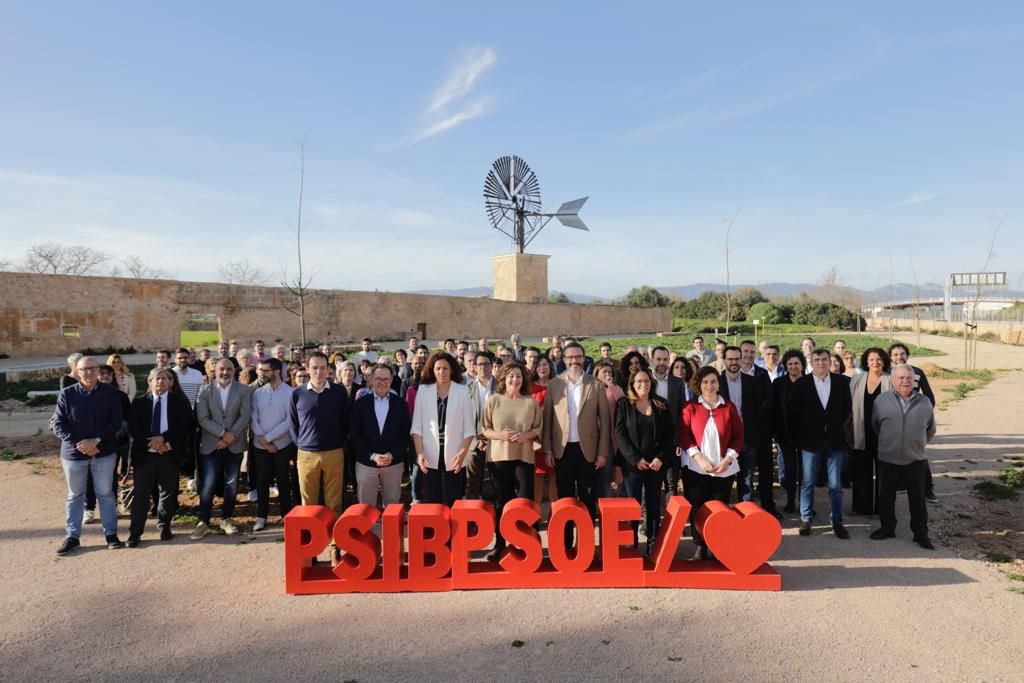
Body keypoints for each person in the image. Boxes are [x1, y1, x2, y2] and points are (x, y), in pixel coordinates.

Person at [52, 355, 124, 554]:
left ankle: (111, 534)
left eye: (93, 368)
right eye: (84, 369)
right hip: (73, 455)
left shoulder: (110, 393)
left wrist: (96, 440)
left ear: (99, 370)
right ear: (77, 372)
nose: (89, 372)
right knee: (75, 495)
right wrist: (80, 443)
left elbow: (116, 421)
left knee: (106, 494)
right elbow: (58, 424)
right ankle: (72, 536)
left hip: (104, 452)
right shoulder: (67, 394)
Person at [542, 342, 611, 548]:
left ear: (584, 358)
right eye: (570, 357)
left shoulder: (596, 385)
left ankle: (586, 544)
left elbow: (605, 422)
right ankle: (566, 544)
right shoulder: (554, 384)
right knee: (565, 499)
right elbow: (548, 419)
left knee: (588, 497)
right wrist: (547, 449)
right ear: (563, 360)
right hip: (562, 450)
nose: (574, 360)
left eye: (578, 357)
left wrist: (602, 452)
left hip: (587, 450)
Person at [680, 366, 744, 560]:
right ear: (699, 384)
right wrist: (699, 459)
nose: (710, 385)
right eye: (705, 382)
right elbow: (684, 435)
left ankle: (717, 545)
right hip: (696, 468)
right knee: (698, 506)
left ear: (718, 384)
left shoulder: (728, 407)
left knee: (719, 507)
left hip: (723, 468)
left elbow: (738, 436)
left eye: (713, 381)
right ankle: (700, 545)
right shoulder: (690, 407)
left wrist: (728, 459)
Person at [870, 364, 938, 550]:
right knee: (886, 496)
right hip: (888, 457)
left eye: (909, 378)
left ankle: (920, 533)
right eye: (901, 378)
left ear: (914, 381)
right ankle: (887, 528)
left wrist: (917, 444)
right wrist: (889, 442)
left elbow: (930, 429)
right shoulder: (881, 401)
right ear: (893, 380)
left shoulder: (924, 402)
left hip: (915, 458)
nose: (905, 381)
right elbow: (876, 425)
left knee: (917, 498)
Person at [481, 361, 542, 560]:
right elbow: (483, 429)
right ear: (503, 379)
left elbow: (538, 428)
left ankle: (527, 545)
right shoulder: (493, 400)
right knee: (502, 502)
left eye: (518, 376)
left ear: (523, 379)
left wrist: (526, 436)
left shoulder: (530, 401)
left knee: (525, 502)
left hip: (524, 457)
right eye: (510, 376)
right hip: (499, 457)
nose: (514, 379)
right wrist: (500, 436)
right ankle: (500, 545)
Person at [790, 349, 853, 539]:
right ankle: (806, 519)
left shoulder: (842, 382)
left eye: (824, 359)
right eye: (816, 359)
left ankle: (837, 522)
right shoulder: (802, 384)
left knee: (835, 485)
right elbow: (796, 413)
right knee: (808, 482)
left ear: (829, 361)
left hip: (834, 440)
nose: (820, 363)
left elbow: (845, 409)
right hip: (810, 441)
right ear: (811, 361)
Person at [290, 352, 350, 552]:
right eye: (314, 367)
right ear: (307, 369)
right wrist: (304, 443)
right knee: (308, 504)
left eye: (323, 368)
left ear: (328, 369)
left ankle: (336, 546)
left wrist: (336, 441)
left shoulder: (339, 392)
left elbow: (345, 422)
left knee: (334, 503)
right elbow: (293, 425)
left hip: (334, 453)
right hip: (306, 455)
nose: (319, 371)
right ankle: (310, 548)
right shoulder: (297, 394)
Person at [126, 367, 191, 547]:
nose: (160, 382)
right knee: (141, 495)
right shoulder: (139, 402)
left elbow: (184, 425)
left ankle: (164, 525)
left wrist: (164, 441)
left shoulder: (179, 402)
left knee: (168, 493)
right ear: (150, 382)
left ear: (170, 382)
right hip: (145, 455)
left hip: (169, 454)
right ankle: (135, 533)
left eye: (164, 378)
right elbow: (134, 427)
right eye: (157, 379)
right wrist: (153, 443)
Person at [615, 367, 675, 554]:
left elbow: (669, 436)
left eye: (647, 381)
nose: (643, 384)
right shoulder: (623, 404)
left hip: (656, 465)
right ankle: (631, 544)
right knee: (632, 505)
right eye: (639, 381)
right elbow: (620, 434)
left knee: (653, 504)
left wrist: (660, 458)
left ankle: (653, 544)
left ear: (652, 383)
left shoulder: (662, 404)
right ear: (632, 384)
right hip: (633, 465)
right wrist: (635, 459)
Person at [192, 358, 252, 539]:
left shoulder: (243, 390)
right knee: (208, 484)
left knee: (232, 484)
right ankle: (203, 521)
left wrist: (230, 436)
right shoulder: (204, 390)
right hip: (211, 445)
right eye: (221, 369)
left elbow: (245, 415)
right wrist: (222, 434)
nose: (225, 372)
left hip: (234, 444)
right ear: (214, 371)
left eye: (228, 369)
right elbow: (202, 418)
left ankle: (226, 518)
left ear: (233, 371)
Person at [411, 352, 476, 506]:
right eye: (438, 368)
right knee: (433, 498)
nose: (441, 372)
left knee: (455, 497)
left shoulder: (462, 391)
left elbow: (469, 428)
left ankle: (454, 528)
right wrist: (420, 453)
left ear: (452, 370)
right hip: (429, 453)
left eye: (445, 368)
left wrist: (462, 454)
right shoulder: (423, 390)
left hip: (455, 454)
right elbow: (417, 426)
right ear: (432, 370)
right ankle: (437, 529)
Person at [350, 364, 411, 509]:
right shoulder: (360, 404)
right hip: (367, 463)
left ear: (391, 380)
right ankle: (367, 532)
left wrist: (393, 454)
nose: (383, 382)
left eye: (386, 378)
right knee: (365, 508)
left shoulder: (400, 404)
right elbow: (355, 435)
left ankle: (391, 532)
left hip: (393, 464)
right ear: (371, 380)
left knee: (392, 508)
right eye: (378, 378)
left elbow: (405, 433)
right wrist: (372, 456)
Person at [888, 343, 937, 502]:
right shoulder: (886, 374)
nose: (899, 357)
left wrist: (922, 414)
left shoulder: (917, 372)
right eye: (895, 354)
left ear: (907, 356)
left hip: (913, 421)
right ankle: (896, 486)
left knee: (918, 455)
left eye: (902, 353)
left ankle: (927, 488)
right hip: (893, 422)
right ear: (890, 357)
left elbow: (929, 397)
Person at [250, 358, 296, 531]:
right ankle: (261, 516)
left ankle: (286, 516)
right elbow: (253, 417)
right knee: (262, 481)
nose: (261, 373)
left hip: (282, 445)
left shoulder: (291, 393)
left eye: (265, 370)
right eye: (260, 370)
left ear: (276, 372)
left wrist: (270, 437)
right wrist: (263, 439)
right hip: (260, 446)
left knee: (283, 480)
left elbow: (289, 421)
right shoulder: (258, 393)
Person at [849, 347, 892, 516]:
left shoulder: (891, 380)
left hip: (883, 433)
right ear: (866, 362)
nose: (875, 362)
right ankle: (861, 507)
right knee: (861, 470)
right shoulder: (856, 380)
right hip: (860, 430)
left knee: (884, 472)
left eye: (879, 359)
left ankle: (882, 508)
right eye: (872, 359)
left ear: (884, 361)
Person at [772, 350, 806, 513]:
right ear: (785, 366)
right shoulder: (778, 384)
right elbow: (774, 409)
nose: (793, 366)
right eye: (790, 364)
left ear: (802, 365)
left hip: (806, 436)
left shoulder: (810, 382)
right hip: (785, 435)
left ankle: (806, 504)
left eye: (796, 363)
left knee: (806, 471)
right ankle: (791, 501)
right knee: (790, 469)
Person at [649, 346, 685, 496]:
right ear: (651, 360)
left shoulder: (677, 383)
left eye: (665, 359)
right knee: (652, 487)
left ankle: (672, 519)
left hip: (671, 443)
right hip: (650, 443)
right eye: (658, 359)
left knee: (671, 485)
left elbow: (682, 413)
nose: (662, 363)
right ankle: (652, 520)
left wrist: (679, 441)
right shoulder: (644, 381)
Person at [466, 351, 496, 500]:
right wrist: (477, 442)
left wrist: (492, 440)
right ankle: (471, 519)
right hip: (474, 443)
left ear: (492, 366)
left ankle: (498, 516)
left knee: (497, 482)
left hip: (497, 442)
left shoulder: (502, 387)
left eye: (486, 364)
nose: (483, 367)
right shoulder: (467, 390)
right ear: (474, 367)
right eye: (479, 364)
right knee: (472, 483)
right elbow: (463, 420)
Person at [593, 359, 625, 498]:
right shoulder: (592, 389)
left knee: (619, 472)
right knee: (603, 474)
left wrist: (611, 386)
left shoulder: (616, 388)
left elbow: (623, 403)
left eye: (610, 372)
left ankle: (620, 505)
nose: (607, 374)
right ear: (597, 373)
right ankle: (603, 506)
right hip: (599, 438)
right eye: (604, 372)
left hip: (616, 437)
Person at [530, 354, 557, 506]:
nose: (542, 368)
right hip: (536, 438)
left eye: (545, 364)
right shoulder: (529, 386)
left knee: (554, 475)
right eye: (539, 365)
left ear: (550, 366)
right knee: (537, 476)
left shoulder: (558, 384)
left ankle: (556, 515)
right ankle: (536, 514)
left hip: (555, 437)